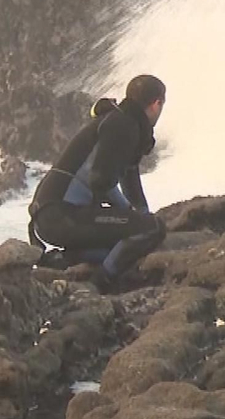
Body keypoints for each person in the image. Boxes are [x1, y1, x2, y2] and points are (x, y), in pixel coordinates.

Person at [27, 75, 168, 291]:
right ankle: (101, 284)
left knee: (132, 238)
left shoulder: (119, 120)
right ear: (157, 103)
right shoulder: (124, 125)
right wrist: (137, 218)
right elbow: (101, 179)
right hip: (62, 216)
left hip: (48, 216)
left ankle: (63, 261)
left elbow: (127, 177)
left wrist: (138, 213)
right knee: (152, 229)